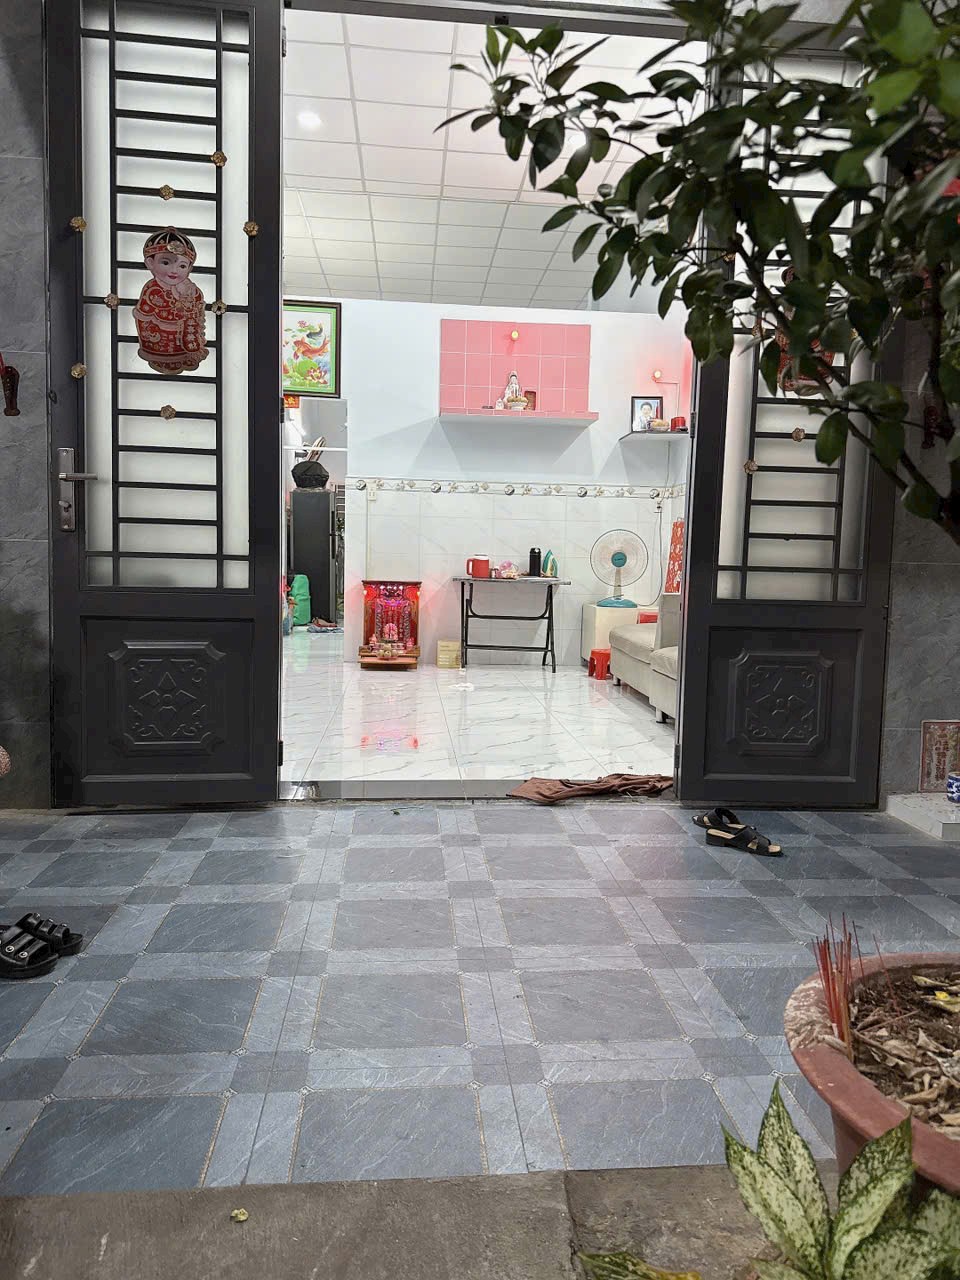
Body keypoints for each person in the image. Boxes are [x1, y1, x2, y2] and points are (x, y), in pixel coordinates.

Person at [133, 227, 208, 374]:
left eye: (182, 266)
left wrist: (189, 295)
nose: (174, 270)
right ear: (150, 263)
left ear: (189, 268)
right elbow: (160, 311)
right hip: (161, 341)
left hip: (186, 340)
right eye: (166, 263)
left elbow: (198, 302)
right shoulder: (152, 289)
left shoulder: (189, 287)